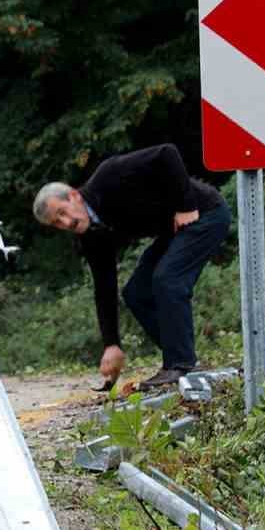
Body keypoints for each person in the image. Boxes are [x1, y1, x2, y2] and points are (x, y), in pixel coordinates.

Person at [33, 144, 230, 391]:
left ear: (74, 195)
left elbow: (167, 153)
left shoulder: (109, 176)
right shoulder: (90, 235)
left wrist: (186, 205)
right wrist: (111, 344)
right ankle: (179, 359)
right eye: (57, 223)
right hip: (175, 229)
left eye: (62, 212)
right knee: (136, 292)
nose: (66, 222)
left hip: (204, 213)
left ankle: (181, 364)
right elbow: (104, 287)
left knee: (166, 278)